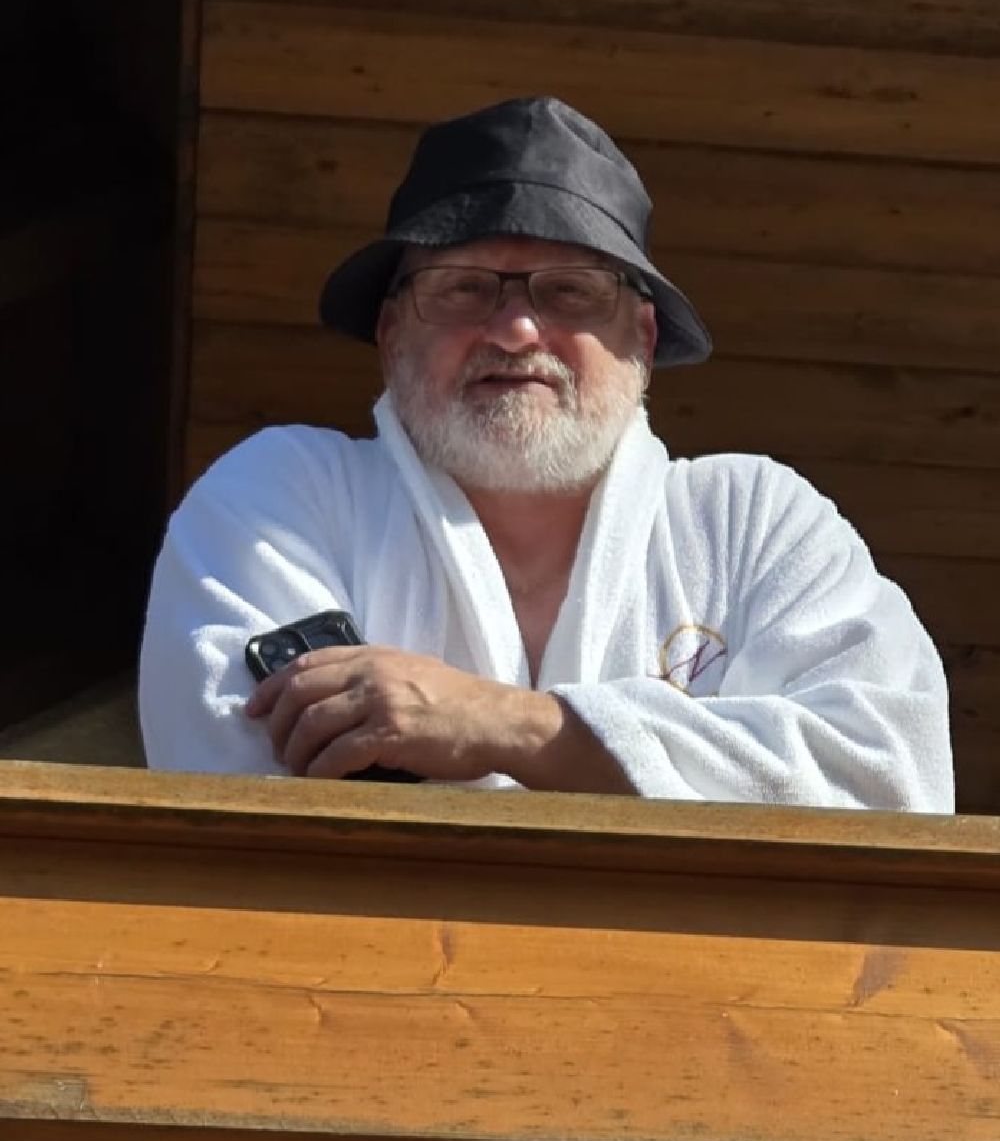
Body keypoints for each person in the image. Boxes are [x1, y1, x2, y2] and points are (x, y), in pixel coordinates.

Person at [139, 96, 954, 810]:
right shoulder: (281, 500)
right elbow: (246, 797)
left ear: (641, 339)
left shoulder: (753, 521)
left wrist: (506, 724)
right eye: (463, 287)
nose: (517, 329)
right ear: (390, 333)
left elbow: (893, 780)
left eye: (570, 291)